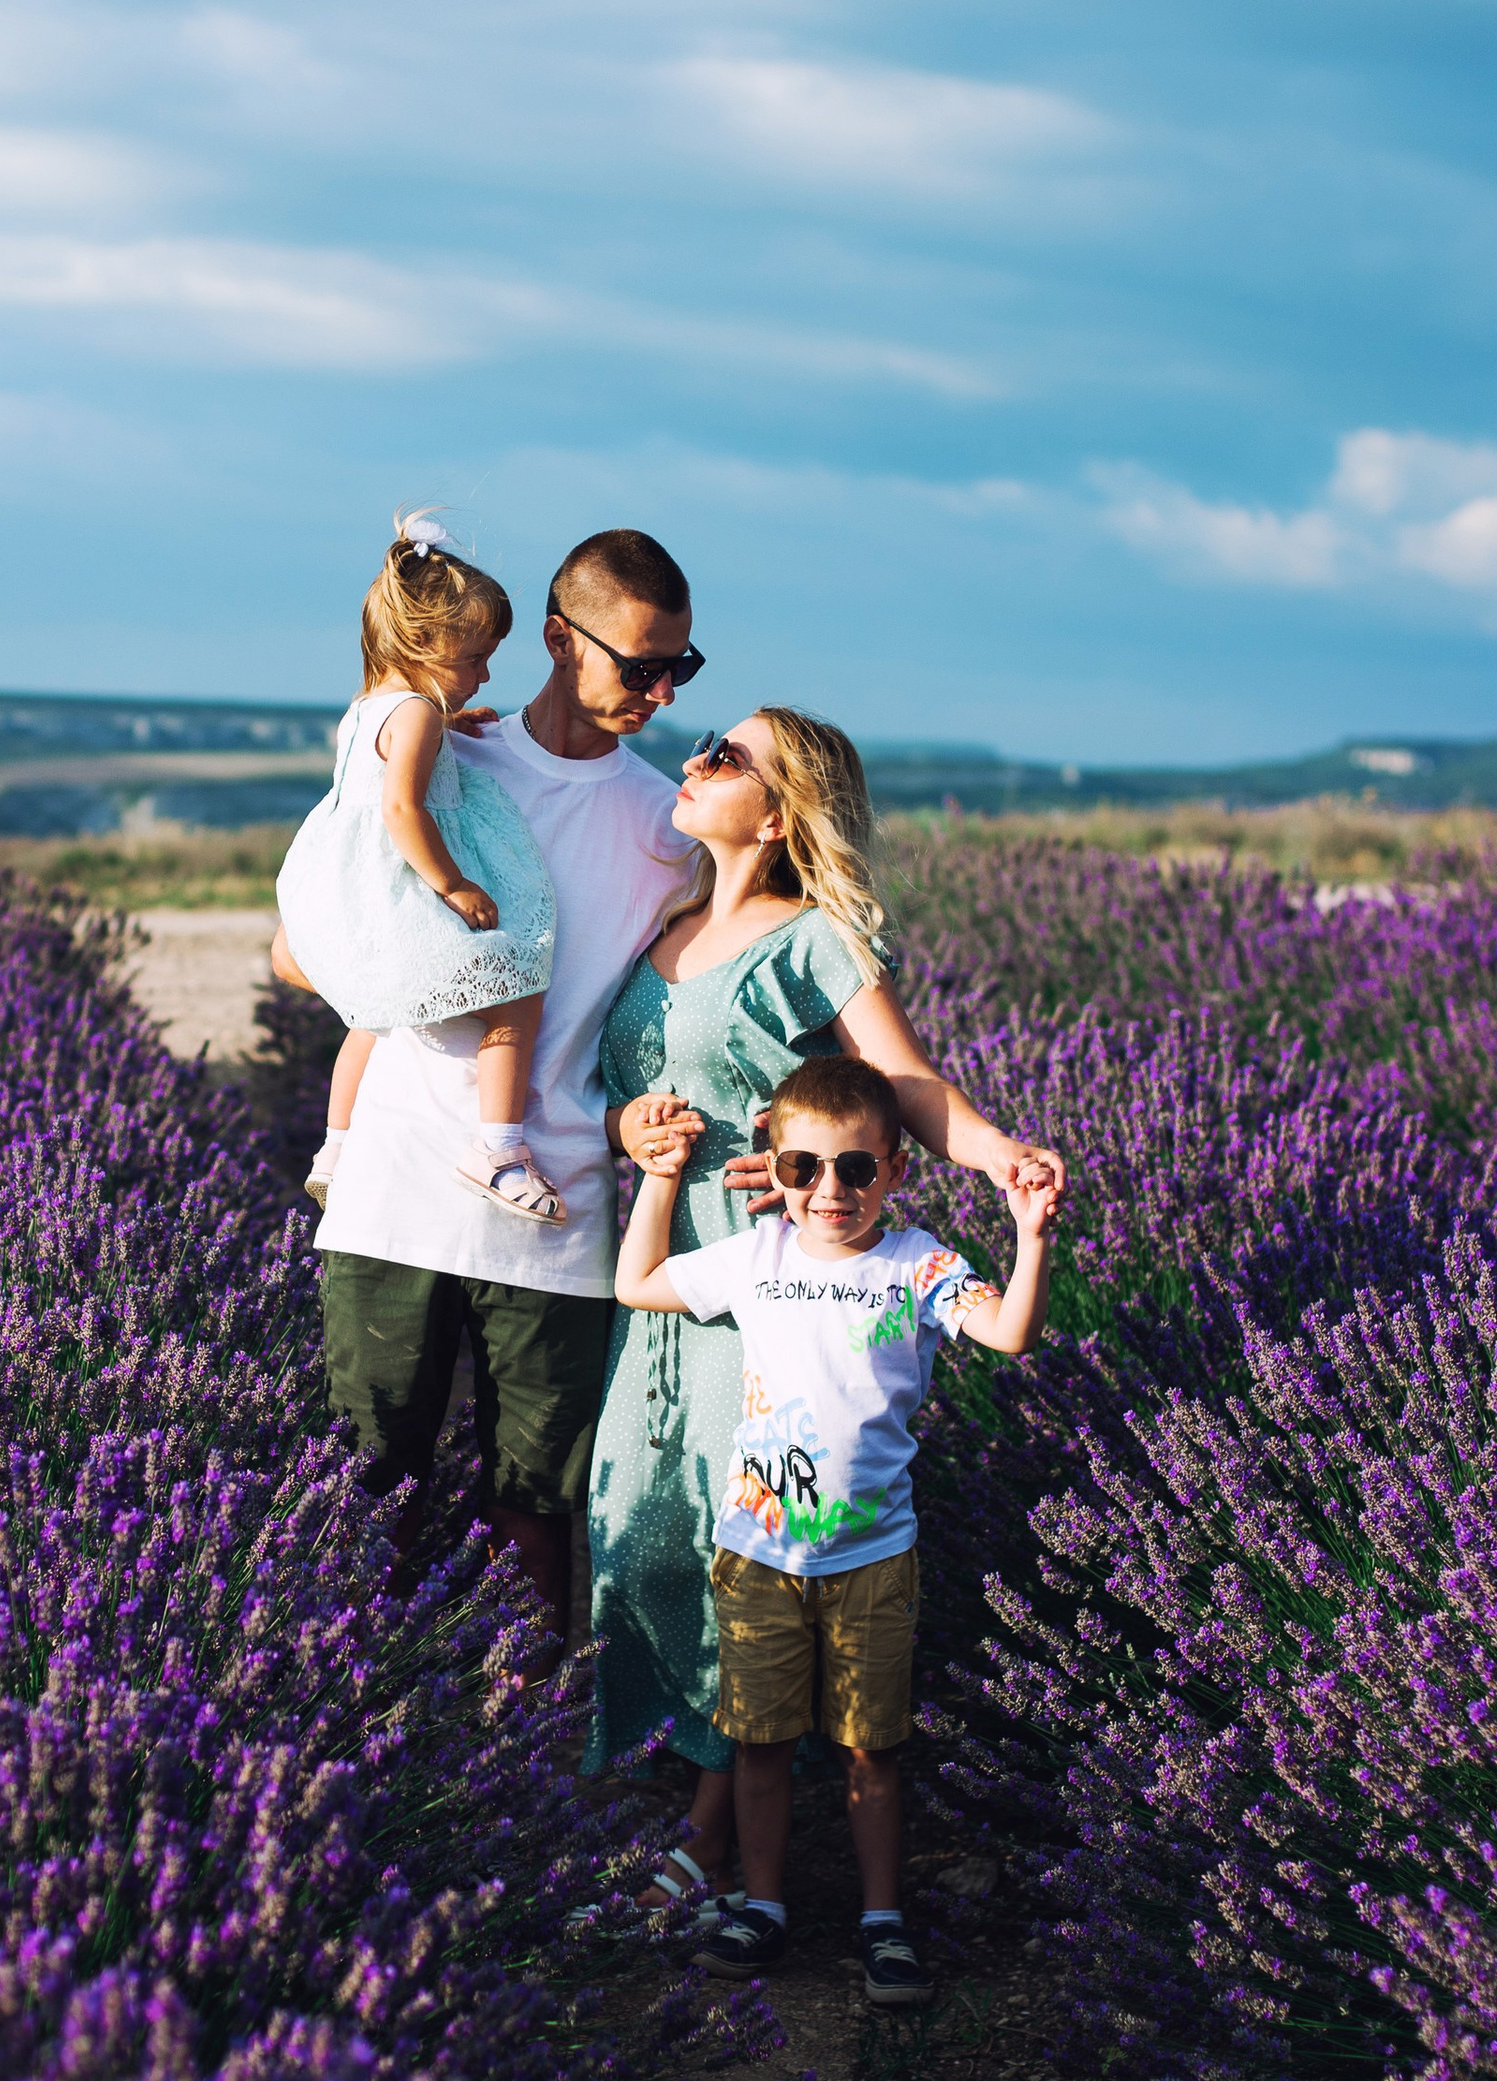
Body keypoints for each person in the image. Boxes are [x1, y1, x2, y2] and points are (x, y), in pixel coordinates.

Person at [588, 706, 1065, 1924]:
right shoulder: (665, 923)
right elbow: (624, 1090)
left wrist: (1000, 1159)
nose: (693, 762)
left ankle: (708, 1848)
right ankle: (701, 1802)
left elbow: (900, 1082)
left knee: (733, 1540)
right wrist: (624, 1131)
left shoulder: (815, 939)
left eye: (725, 757)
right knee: (641, 1532)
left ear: (783, 807)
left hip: (770, 1281)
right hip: (656, 1261)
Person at [271, 527, 706, 1638]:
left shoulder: (670, 830)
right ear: (560, 639)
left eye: (680, 670)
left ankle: (532, 1759)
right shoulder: (447, 752)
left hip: (555, 1205)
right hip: (394, 1188)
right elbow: (295, 944)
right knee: (372, 1491)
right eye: (638, 664)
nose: (657, 693)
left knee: (539, 1512)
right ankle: (367, 1728)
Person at [615, 1049, 1054, 2002]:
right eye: (802, 1167)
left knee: (872, 1750)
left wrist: (1030, 1236)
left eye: (857, 1168)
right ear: (773, 1170)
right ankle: (763, 1906)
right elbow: (637, 1282)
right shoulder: (757, 1255)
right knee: (760, 1745)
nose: (829, 1190)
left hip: (873, 1560)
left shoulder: (920, 1264)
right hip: (758, 1555)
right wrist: (656, 1178)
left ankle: (883, 1920)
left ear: (896, 1171)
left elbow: (1011, 1332)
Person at [280, 513, 563, 1222]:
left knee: (372, 1018)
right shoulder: (417, 717)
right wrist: (455, 884)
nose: (485, 674)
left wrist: (445, 723)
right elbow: (403, 811)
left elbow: (381, 766)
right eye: (474, 659)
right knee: (516, 985)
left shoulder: (366, 710)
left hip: (340, 891)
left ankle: (336, 1149)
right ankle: (498, 1148)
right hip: (399, 889)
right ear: (422, 643)